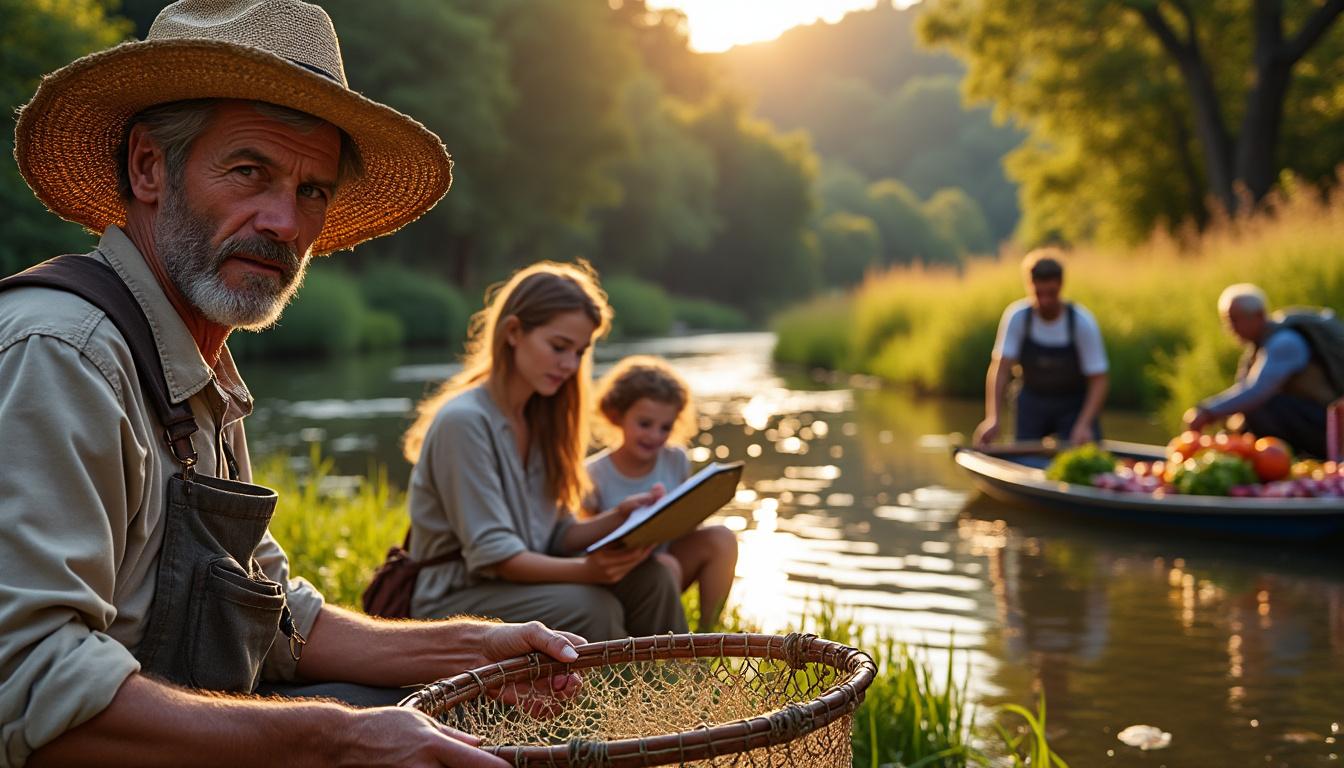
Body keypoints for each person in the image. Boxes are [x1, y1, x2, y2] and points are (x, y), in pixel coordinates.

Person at [0, 3, 583, 766]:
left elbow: (277, 616)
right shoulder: (64, 354)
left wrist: (476, 646)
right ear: (149, 167)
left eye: (313, 190)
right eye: (250, 171)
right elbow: (31, 684)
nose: (284, 221)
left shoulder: (199, 370)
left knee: (460, 712)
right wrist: (337, 739)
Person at [401, 263, 688, 641]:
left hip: (518, 582)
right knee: (591, 607)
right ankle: (606, 698)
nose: (570, 365)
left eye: (580, 352)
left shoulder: (541, 417)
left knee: (654, 576)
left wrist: (619, 518)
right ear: (514, 332)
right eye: (558, 347)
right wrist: (588, 571)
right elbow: (495, 556)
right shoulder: (464, 422)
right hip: (454, 595)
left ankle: (679, 683)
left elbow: (556, 535)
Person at [586, 356, 740, 632]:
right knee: (665, 565)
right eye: (645, 424)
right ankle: (666, 653)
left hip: (668, 558)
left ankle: (707, 638)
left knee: (722, 538)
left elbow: (682, 523)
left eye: (665, 427)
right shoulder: (594, 473)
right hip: (621, 575)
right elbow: (583, 541)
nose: (655, 436)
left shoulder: (675, 458)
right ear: (617, 416)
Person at [1184, 284, 1341, 458]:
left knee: (1262, 407)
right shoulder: (1258, 347)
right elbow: (1243, 390)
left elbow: (1257, 391)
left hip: (1330, 424)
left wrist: (1207, 412)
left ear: (1259, 315)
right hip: (1312, 420)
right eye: (1227, 321)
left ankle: (1290, 459)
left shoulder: (1285, 342)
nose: (1231, 328)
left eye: (1236, 320)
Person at [974, 249, 1110, 447]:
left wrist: (1084, 424)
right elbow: (1001, 370)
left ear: (1061, 285)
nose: (1045, 300)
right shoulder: (1017, 317)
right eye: (1039, 293)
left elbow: (1099, 380)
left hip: (1073, 405)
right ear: (1029, 286)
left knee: (1087, 458)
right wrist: (993, 418)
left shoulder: (1082, 322)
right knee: (1025, 460)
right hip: (1032, 402)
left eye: (1051, 294)